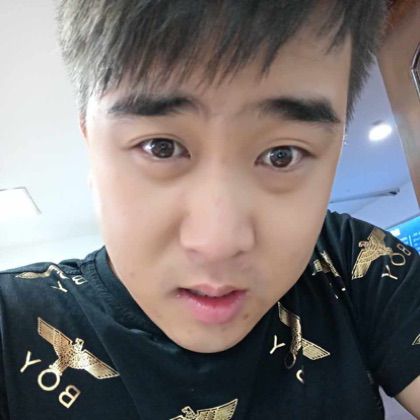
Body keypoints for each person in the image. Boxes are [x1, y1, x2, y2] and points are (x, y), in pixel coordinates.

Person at [0, 1, 419, 418]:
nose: (217, 244)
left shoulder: (354, 264)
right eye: (161, 147)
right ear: (90, 141)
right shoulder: (11, 324)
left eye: (282, 155)